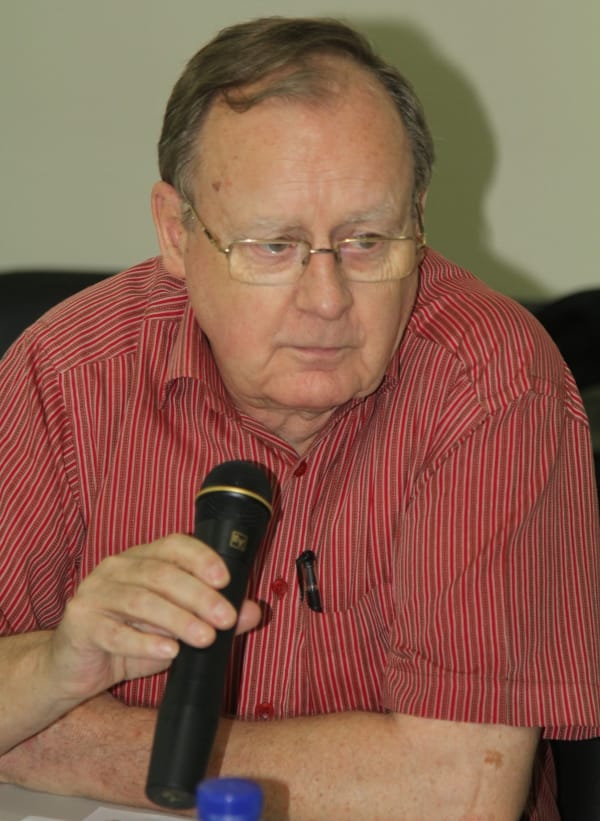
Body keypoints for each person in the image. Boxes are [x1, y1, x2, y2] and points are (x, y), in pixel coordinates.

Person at [0, 16, 598, 820]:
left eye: (366, 240)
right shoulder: (66, 370)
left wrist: (52, 738)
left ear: (418, 219)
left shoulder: (493, 383)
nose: (326, 300)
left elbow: (460, 792)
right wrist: (54, 668)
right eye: (273, 245)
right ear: (176, 233)